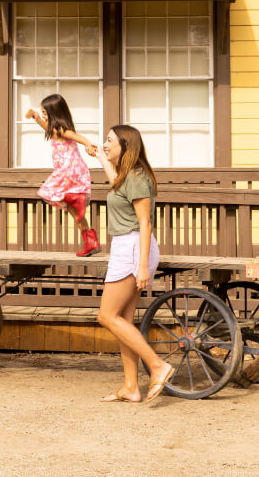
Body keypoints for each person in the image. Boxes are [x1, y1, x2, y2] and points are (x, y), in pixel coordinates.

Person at [91, 124, 175, 402]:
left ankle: (158, 366)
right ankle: (130, 386)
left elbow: (145, 222)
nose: (105, 143)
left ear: (125, 146)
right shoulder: (126, 176)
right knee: (123, 320)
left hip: (133, 247)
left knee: (107, 316)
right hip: (126, 246)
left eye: (110, 141)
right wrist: (101, 158)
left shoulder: (138, 178)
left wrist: (141, 266)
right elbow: (115, 181)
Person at [25, 93, 101, 257]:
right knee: (76, 213)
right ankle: (91, 242)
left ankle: (90, 241)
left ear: (55, 113)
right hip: (71, 173)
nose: (44, 115)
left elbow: (74, 136)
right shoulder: (54, 129)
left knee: (48, 190)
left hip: (69, 173)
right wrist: (37, 118)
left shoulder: (61, 129)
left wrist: (88, 142)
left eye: (45, 113)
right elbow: (46, 127)